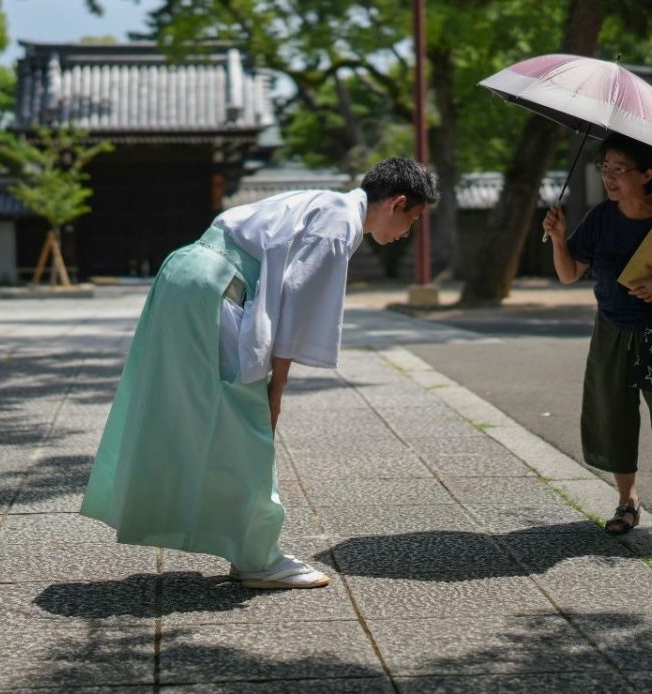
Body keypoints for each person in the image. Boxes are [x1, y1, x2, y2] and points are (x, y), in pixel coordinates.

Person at [80, 157, 439, 588]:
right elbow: (295, 305)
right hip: (213, 287)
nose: (407, 233)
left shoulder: (327, 204)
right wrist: (276, 389)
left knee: (179, 406)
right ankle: (257, 556)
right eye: (412, 220)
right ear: (397, 203)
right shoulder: (339, 222)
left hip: (188, 275)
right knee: (247, 423)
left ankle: (228, 538)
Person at [542, 132, 652, 543]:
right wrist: (557, 238)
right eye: (604, 167)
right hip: (611, 330)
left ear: (647, 174)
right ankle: (628, 501)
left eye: (619, 169)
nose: (609, 177)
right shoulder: (600, 218)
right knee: (613, 413)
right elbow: (569, 273)